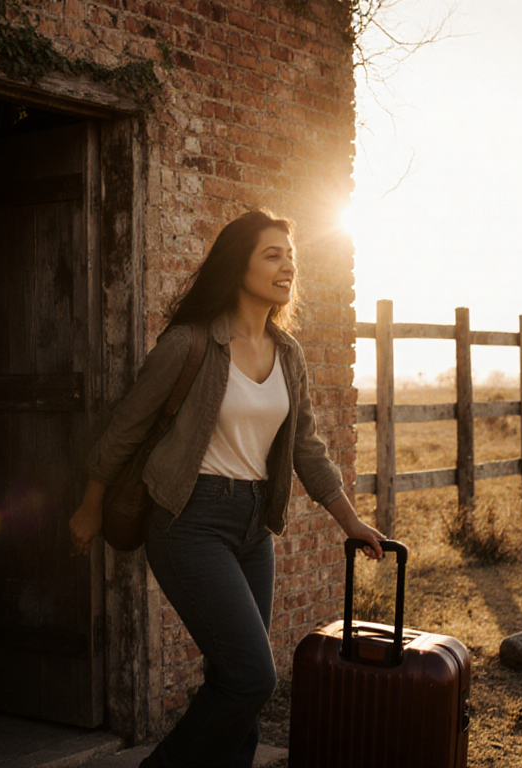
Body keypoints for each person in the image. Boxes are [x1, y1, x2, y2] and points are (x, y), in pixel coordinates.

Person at [68, 209, 385, 767]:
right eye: (272, 254)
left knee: (235, 680)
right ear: (238, 266)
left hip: (252, 526)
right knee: (253, 676)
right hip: (188, 520)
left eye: (291, 256)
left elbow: (306, 447)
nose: (287, 265)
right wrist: (91, 505)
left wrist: (350, 521)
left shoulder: (289, 354)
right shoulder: (190, 343)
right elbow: (126, 427)